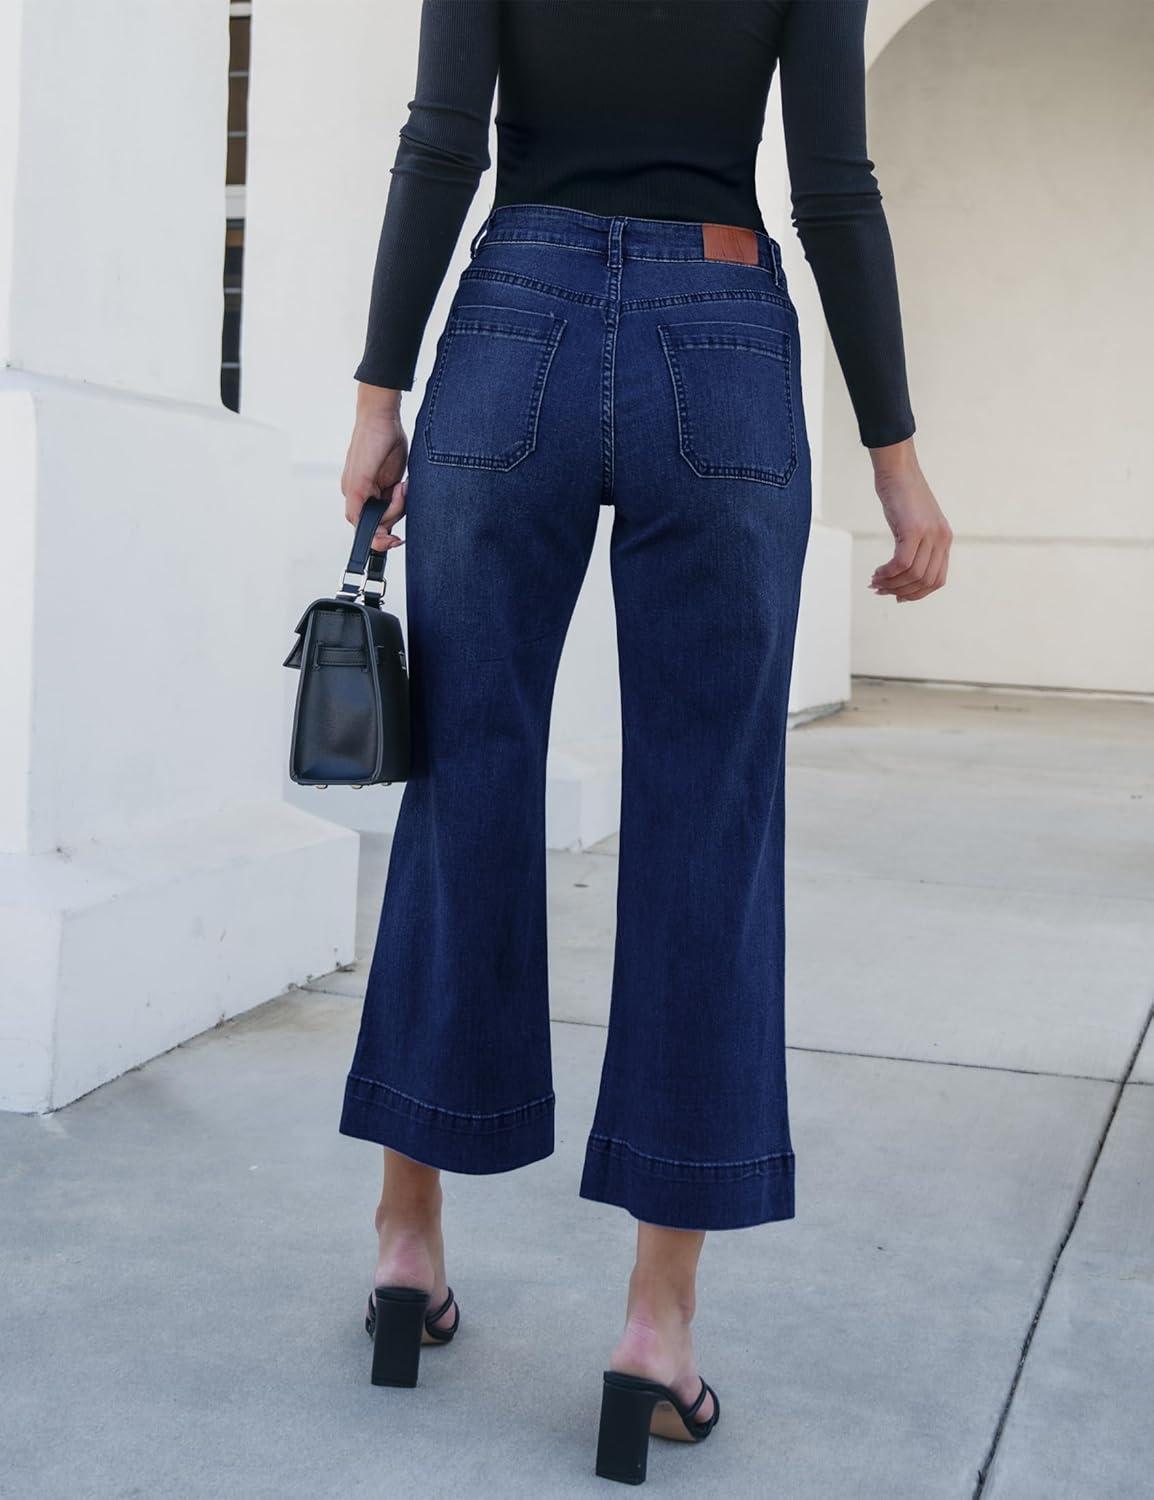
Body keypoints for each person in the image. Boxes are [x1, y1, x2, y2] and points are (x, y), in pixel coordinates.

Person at [339, 0, 951, 1483]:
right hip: (720, 327)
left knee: (464, 782)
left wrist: (377, 393)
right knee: (708, 822)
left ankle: (407, 1249)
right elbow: (833, 187)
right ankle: (654, 1334)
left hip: (513, 319)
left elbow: (441, 140)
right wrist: (895, 454)